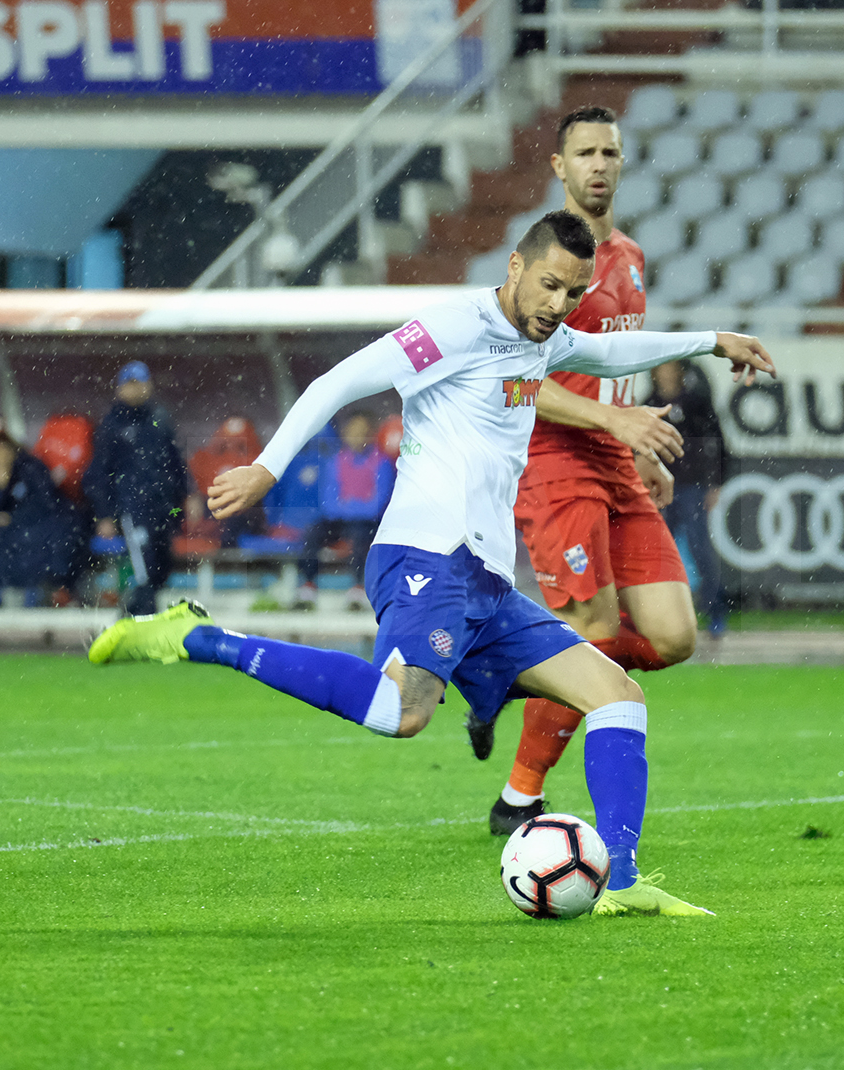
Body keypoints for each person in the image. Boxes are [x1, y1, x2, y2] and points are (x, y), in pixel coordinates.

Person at [88, 210, 776, 916]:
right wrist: (265, 469)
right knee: (400, 712)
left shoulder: (544, 336)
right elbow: (339, 381)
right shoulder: (454, 329)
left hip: (485, 581)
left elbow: (603, 356)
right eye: (547, 286)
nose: (556, 306)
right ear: (514, 266)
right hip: (423, 556)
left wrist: (713, 341)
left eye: (572, 293)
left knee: (619, 698)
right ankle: (197, 638)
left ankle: (623, 885)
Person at [494, 105, 704, 835]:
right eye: (584, 152)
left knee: (673, 636)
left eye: (610, 151)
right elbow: (518, 377)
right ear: (558, 166)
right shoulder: (546, 261)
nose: (599, 164)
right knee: (592, 625)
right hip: (555, 458)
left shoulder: (633, 258)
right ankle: (521, 793)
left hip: (617, 458)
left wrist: (637, 441)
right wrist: (614, 423)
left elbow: (617, 365)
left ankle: (515, 671)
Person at [83, 361, 189, 616]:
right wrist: (105, 513)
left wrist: (187, 494)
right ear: (120, 389)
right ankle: (143, 618)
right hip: (132, 506)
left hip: (163, 506)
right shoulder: (112, 425)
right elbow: (99, 472)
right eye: (130, 385)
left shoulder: (159, 419)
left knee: (162, 564)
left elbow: (175, 460)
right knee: (145, 566)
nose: (136, 390)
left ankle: (132, 614)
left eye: (140, 384)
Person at [648, 359, 730, 637]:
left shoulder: (697, 404)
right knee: (658, 554)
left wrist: (716, 482)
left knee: (700, 550)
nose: (667, 374)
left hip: (691, 486)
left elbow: (718, 442)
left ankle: (714, 612)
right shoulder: (648, 404)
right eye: (663, 369)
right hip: (659, 489)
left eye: (671, 368)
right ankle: (661, 616)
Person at [293, 411, 395, 611]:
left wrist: (348, 506)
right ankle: (308, 584)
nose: (357, 437)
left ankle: (358, 587)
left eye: (362, 432)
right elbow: (328, 502)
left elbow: (378, 504)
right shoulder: (335, 462)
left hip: (366, 522)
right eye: (353, 432)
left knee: (361, 537)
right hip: (340, 520)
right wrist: (353, 506)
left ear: (370, 434)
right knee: (313, 532)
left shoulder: (381, 463)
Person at [0, 431, 84, 605]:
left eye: (4, 450)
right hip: (11, 528)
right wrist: (1, 482)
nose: (1, 455)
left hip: (39, 523)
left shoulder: (31, 468)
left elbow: (46, 503)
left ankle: (35, 594)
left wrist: (14, 518)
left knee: (32, 542)